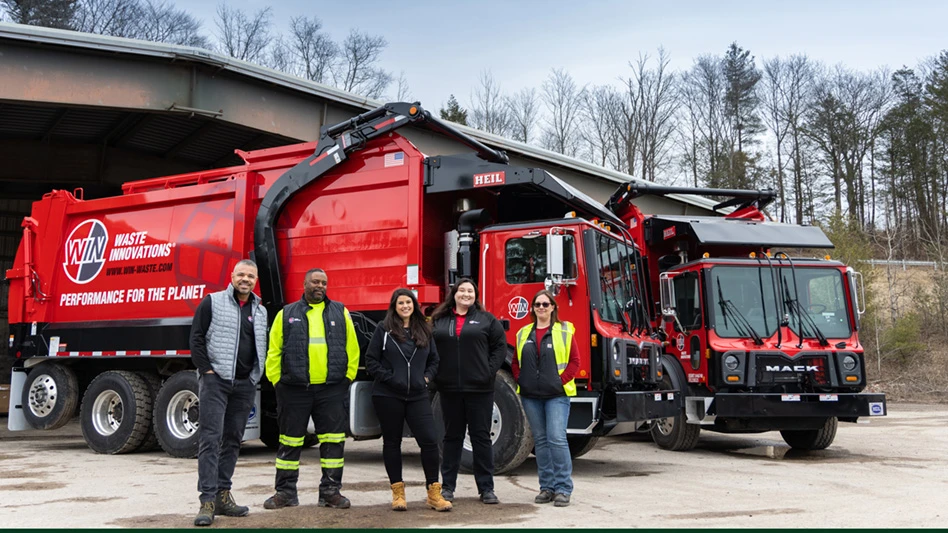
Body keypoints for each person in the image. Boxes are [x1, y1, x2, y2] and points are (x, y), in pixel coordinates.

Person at [263, 268, 360, 510]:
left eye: (324, 282)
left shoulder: (340, 311)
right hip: (294, 390)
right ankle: (285, 493)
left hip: (331, 390)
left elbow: (353, 347)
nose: (320, 286)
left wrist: (347, 378)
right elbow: (273, 350)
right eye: (315, 281)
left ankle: (330, 492)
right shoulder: (286, 314)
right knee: (289, 441)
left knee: (334, 442)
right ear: (304, 283)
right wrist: (277, 381)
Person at [190, 259, 268, 526]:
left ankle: (223, 495)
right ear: (232, 276)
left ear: (256, 281)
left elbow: (260, 343)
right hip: (216, 381)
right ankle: (207, 501)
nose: (245, 279)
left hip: (244, 384)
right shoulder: (212, 302)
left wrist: (255, 375)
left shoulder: (260, 310)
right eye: (241, 275)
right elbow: (196, 338)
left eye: (251, 276)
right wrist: (207, 371)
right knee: (210, 439)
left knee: (234, 439)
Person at [364, 288, 452, 512]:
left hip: (417, 395)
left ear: (414, 305)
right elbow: (371, 361)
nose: (405, 306)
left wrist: (426, 378)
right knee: (392, 443)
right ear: (394, 306)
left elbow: (434, 360)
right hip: (387, 395)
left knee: (429, 441)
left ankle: (434, 493)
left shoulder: (424, 329)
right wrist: (391, 379)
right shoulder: (384, 330)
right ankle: (398, 494)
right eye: (400, 303)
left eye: (409, 302)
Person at [431, 278, 507, 504]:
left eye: (470, 291)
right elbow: (430, 350)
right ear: (454, 294)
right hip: (449, 390)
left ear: (476, 296)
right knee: (452, 438)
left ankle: (486, 489)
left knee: (481, 437)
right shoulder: (440, 320)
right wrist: (435, 375)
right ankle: (448, 488)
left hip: (480, 390)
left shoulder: (486, 320)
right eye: (461, 290)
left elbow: (500, 348)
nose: (466, 294)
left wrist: (488, 372)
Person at [511, 289, 580, 508]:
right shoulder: (523, 333)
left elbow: (575, 362)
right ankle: (547, 487)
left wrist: (560, 381)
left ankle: (562, 488)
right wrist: (521, 380)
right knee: (540, 441)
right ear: (532, 309)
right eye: (537, 304)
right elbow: (515, 362)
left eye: (545, 304)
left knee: (557, 439)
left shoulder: (564, 331)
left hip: (557, 396)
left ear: (553, 307)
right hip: (531, 396)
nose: (541, 308)